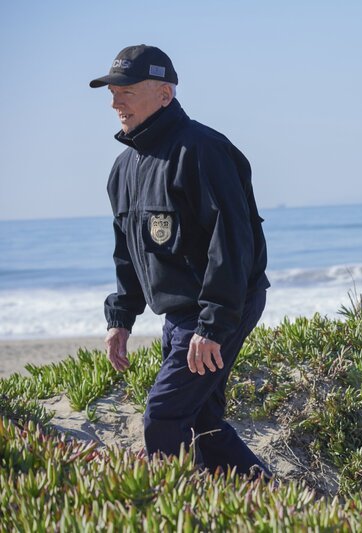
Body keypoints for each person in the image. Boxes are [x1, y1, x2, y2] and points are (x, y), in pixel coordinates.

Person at [90, 44, 271, 476]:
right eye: (112, 91)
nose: (115, 102)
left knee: (165, 413)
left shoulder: (203, 150)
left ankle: (170, 505)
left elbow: (231, 243)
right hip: (178, 313)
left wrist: (211, 325)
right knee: (201, 420)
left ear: (165, 94)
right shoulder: (123, 168)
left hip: (221, 305)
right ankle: (265, 498)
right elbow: (128, 252)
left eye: (127, 91)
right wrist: (121, 318)